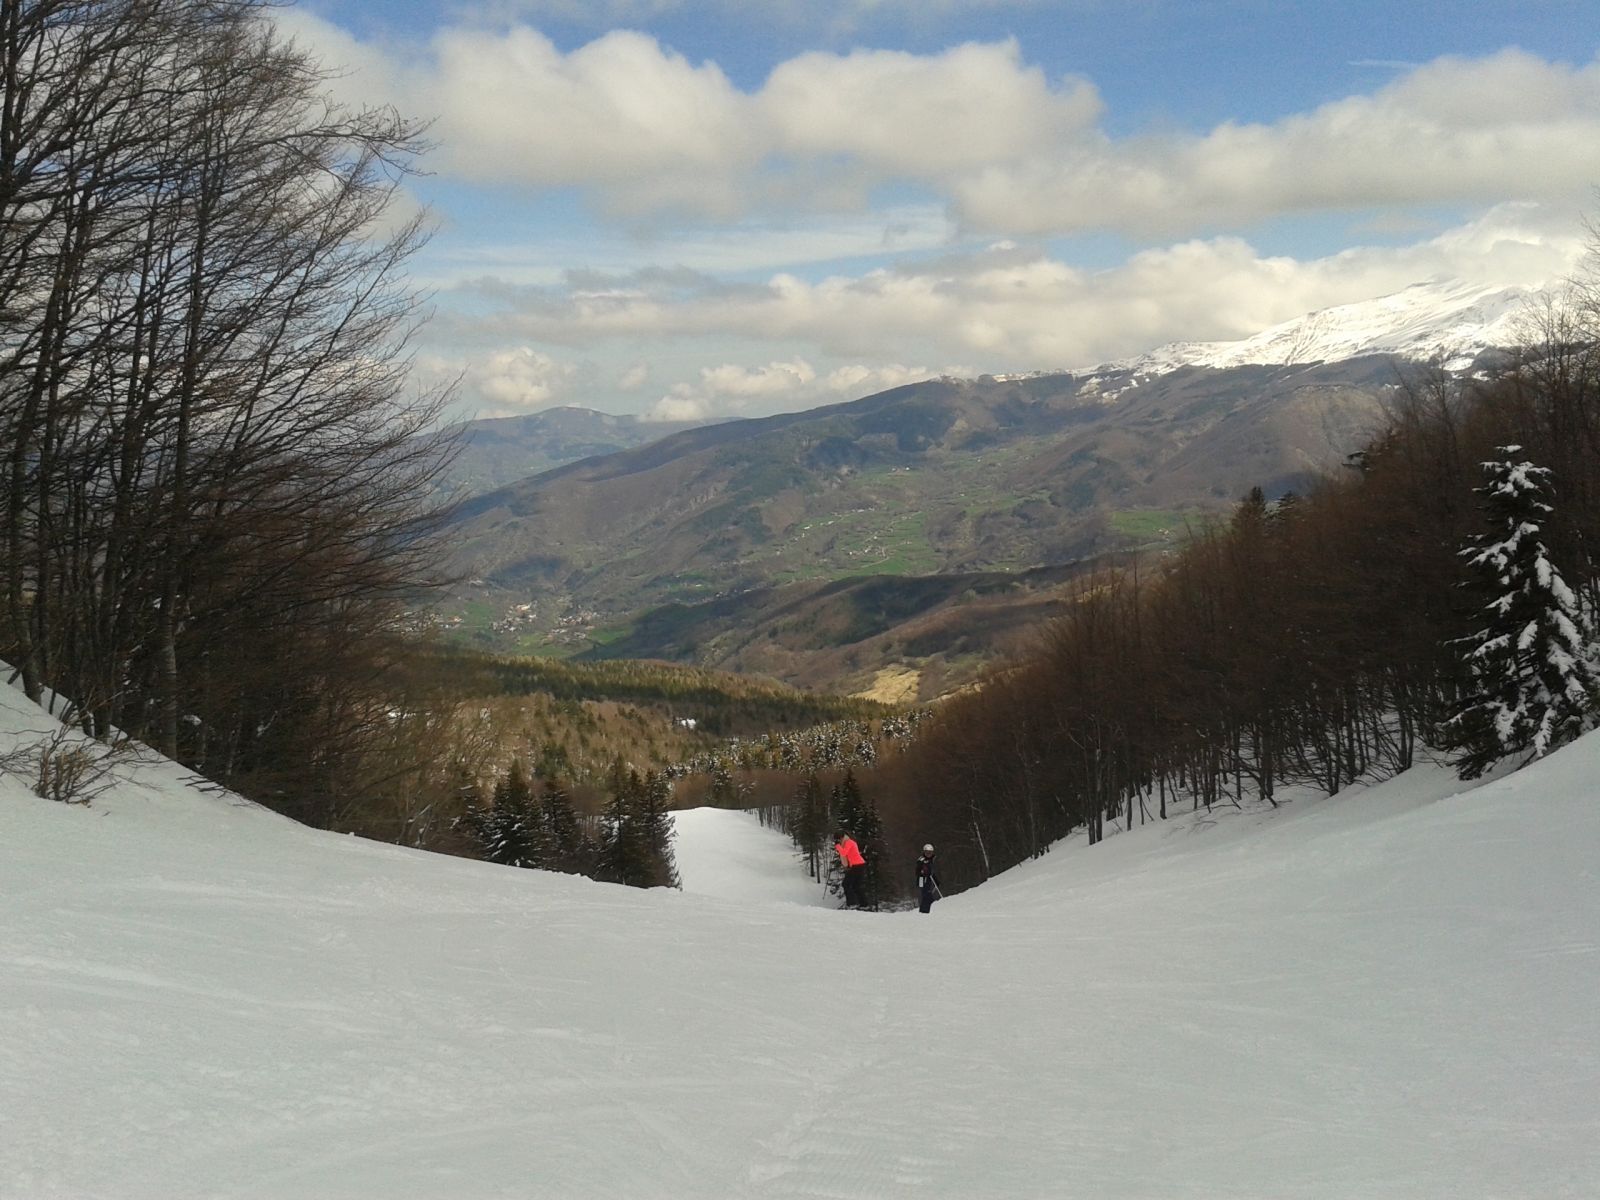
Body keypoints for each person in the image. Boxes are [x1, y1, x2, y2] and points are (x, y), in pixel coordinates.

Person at [834, 828, 867, 909]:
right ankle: (863, 904)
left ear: (841, 837)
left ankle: (852, 904)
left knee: (846, 884)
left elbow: (844, 852)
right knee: (856, 886)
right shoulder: (849, 842)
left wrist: (837, 846)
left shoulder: (849, 842)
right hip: (858, 865)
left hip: (857, 865)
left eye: (838, 839)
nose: (838, 841)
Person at [915, 843, 941, 914]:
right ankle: (924, 910)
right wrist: (922, 872)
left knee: (930, 893)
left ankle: (925, 910)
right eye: (927, 852)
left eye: (930, 852)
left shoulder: (933, 859)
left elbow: (933, 871)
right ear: (924, 852)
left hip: (930, 879)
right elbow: (917, 871)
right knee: (926, 894)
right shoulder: (921, 860)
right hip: (922, 880)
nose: (928, 854)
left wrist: (936, 881)